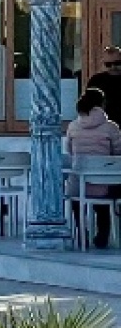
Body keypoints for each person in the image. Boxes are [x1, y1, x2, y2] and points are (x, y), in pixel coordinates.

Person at [69, 88, 121, 247]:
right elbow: (118, 153)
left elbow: (70, 151)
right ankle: (103, 234)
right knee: (107, 187)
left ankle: (81, 232)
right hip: (105, 185)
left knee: (76, 198)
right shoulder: (111, 127)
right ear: (102, 104)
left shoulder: (73, 126)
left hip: (79, 185)